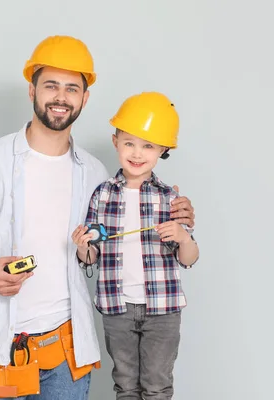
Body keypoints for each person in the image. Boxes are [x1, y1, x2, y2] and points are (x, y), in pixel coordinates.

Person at [0, 36, 196, 400]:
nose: (61, 97)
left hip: (66, 355)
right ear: (32, 90)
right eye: (51, 85)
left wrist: (178, 212)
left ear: (84, 99)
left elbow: (129, 217)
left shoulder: (95, 173)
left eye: (72, 88)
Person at [72, 92, 200, 400]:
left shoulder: (171, 197)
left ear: (162, 151)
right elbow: (91, 256)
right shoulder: (101, 195)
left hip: (163, 310)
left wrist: (182, 237)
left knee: (157, 387)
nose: (137, 153)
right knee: (126, 387)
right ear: (115, 141)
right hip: (117, 309)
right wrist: (81, 247)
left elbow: (190, 257)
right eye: (129, 142)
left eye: (148, 146)